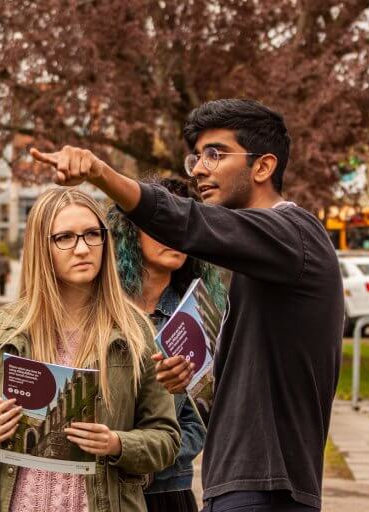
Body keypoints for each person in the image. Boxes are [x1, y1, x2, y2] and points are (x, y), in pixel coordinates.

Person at [31, 98, 344, 512]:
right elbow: (260, 374)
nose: (198, 169)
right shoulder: (265, 256)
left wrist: (100, 174)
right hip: (241, 481)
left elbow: (187, 223)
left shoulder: (293, 233)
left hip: (267, 487)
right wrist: (198, 377)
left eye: (215, 154)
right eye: (196, 156)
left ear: (263, 167)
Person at [0, 188, 180, 512]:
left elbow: (167, 439)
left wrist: (117, 444)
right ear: (41, 247)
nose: (82, 248)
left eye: (92, 234)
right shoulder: (3, 331)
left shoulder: (134, 332)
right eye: (65, 238)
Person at [108, 176, 226, 512]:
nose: (174, 236)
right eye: (162, 224)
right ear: (130, 231)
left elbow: (203, 419)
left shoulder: (199, 315)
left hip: (165, 491)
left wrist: (143, 455)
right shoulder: (99, 309)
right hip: (98, 486)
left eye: (183, 225)